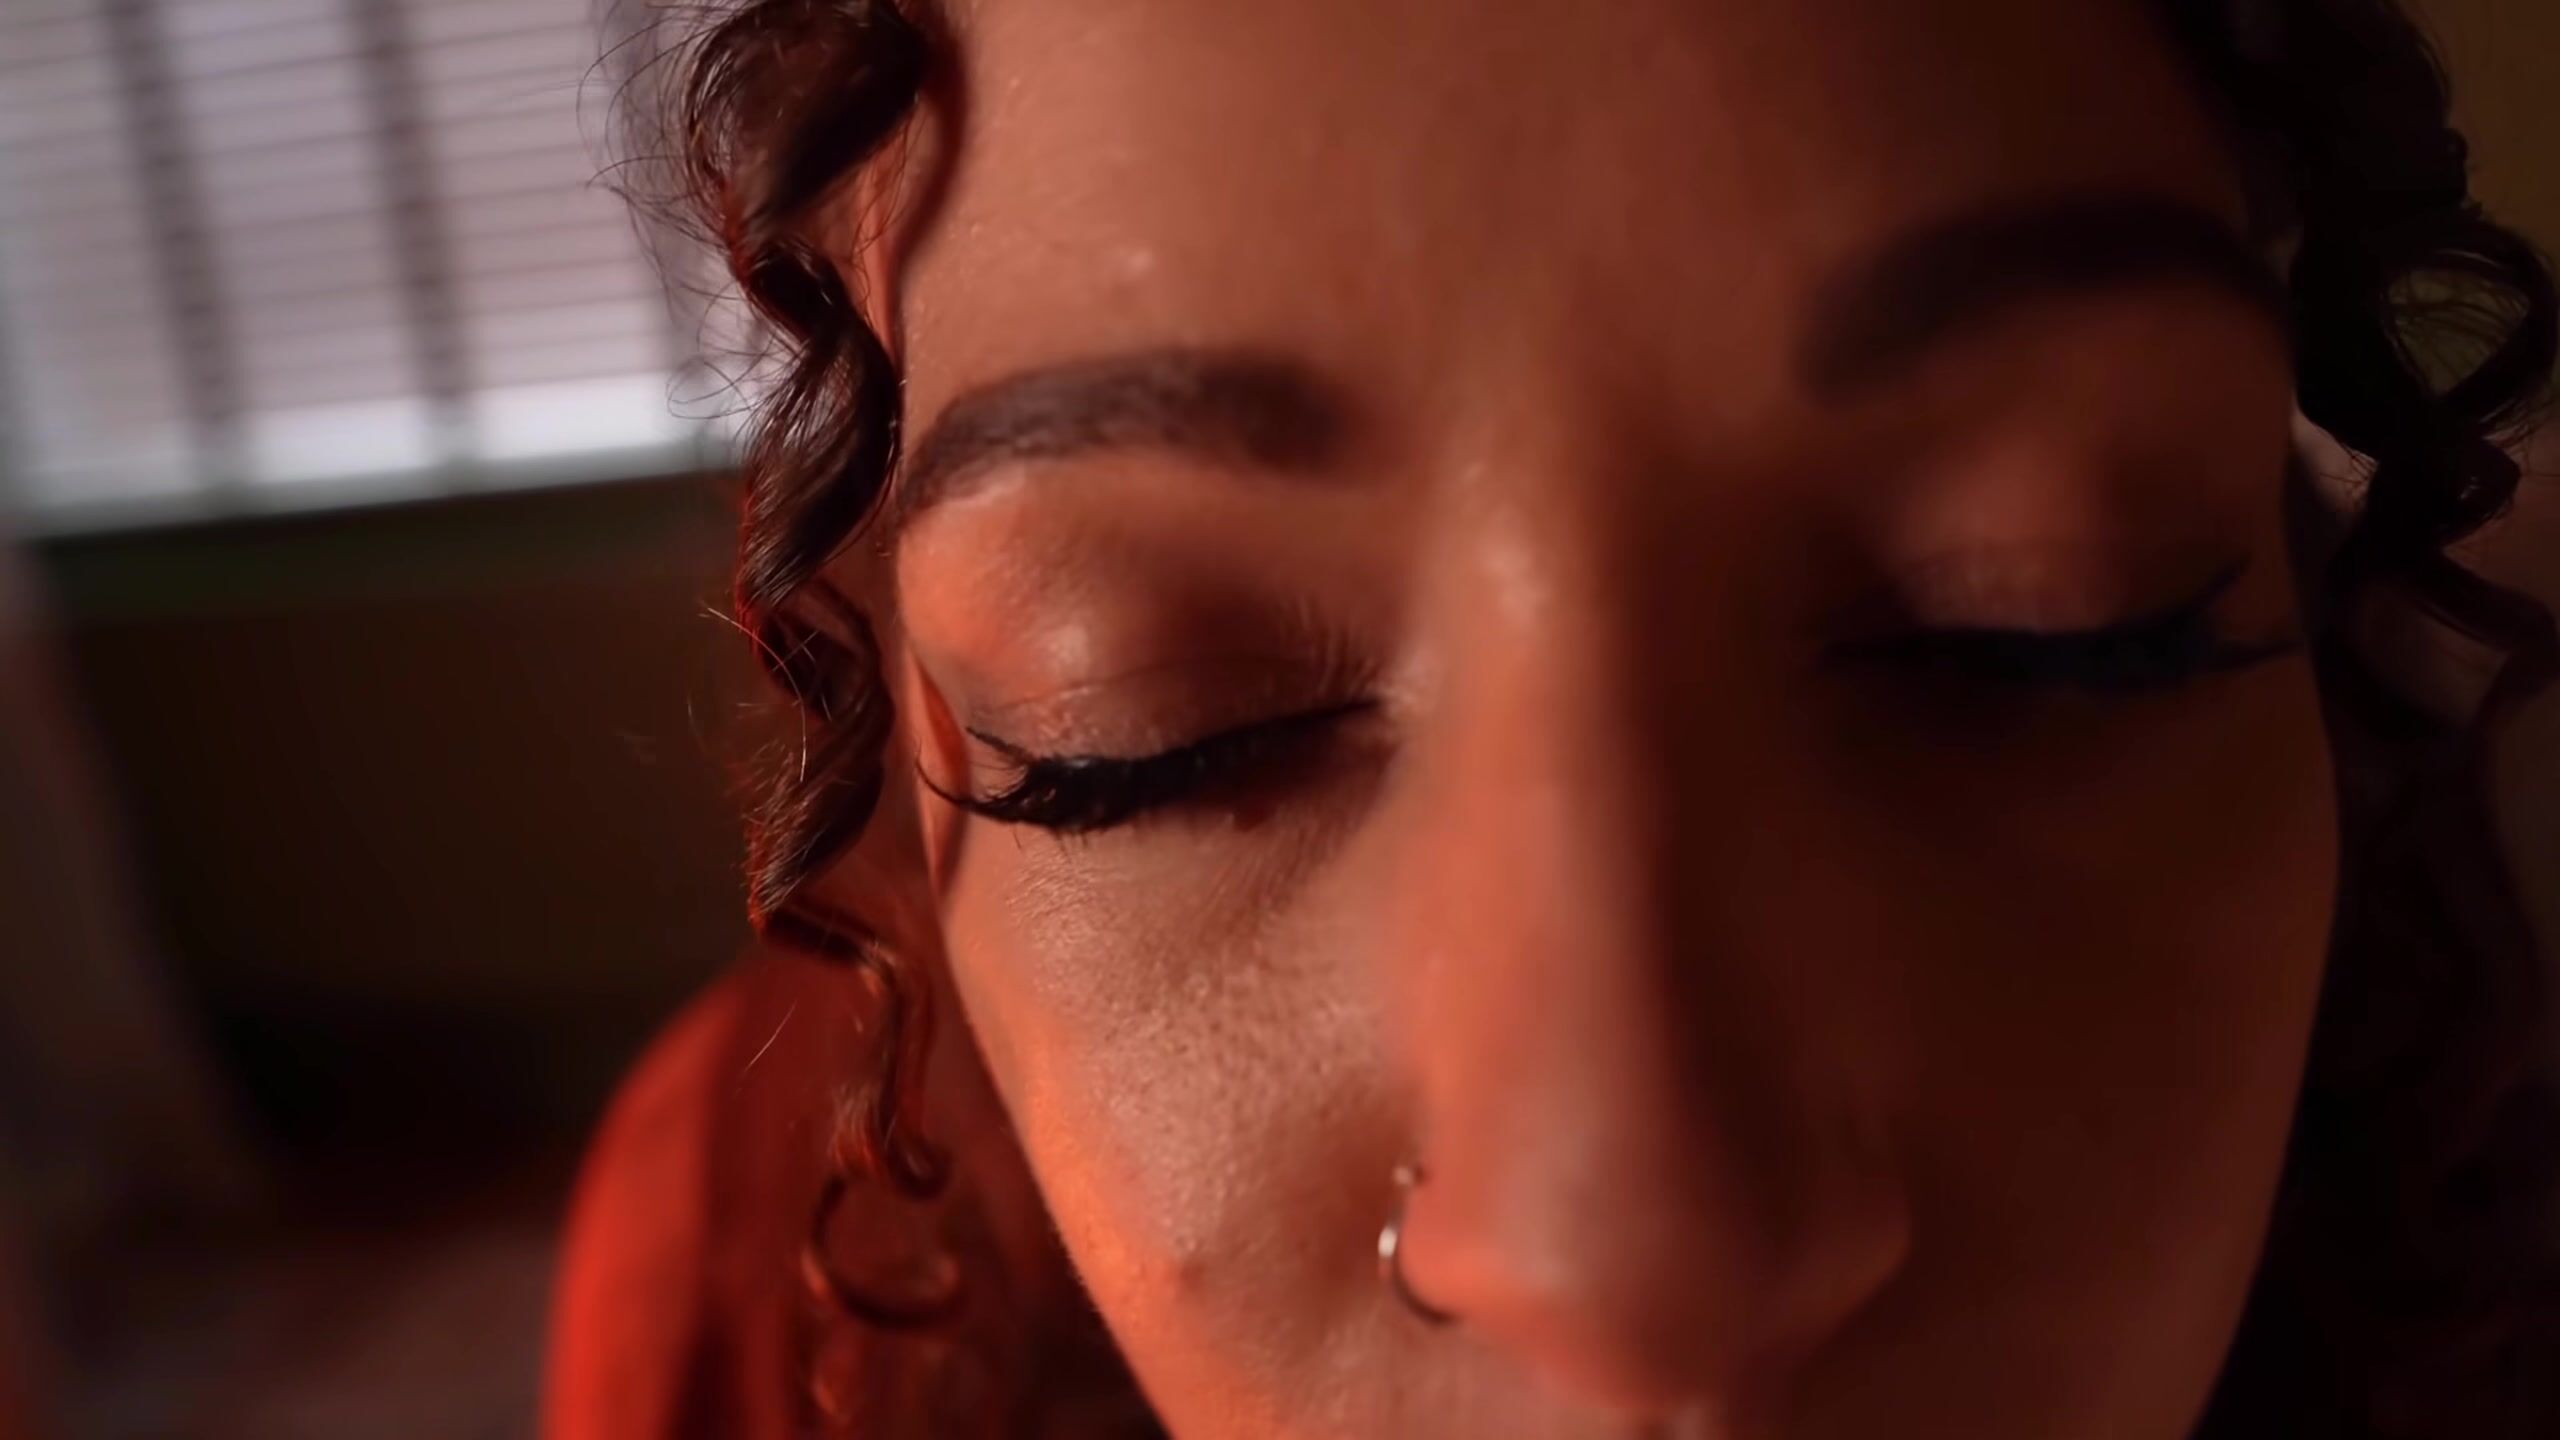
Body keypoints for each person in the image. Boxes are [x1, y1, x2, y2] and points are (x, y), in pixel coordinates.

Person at [545, 0, 2560, 1435]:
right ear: (915, 723)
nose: (1643, 1254)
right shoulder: (743, 1307)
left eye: (2046, 627)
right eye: (1156, 732)